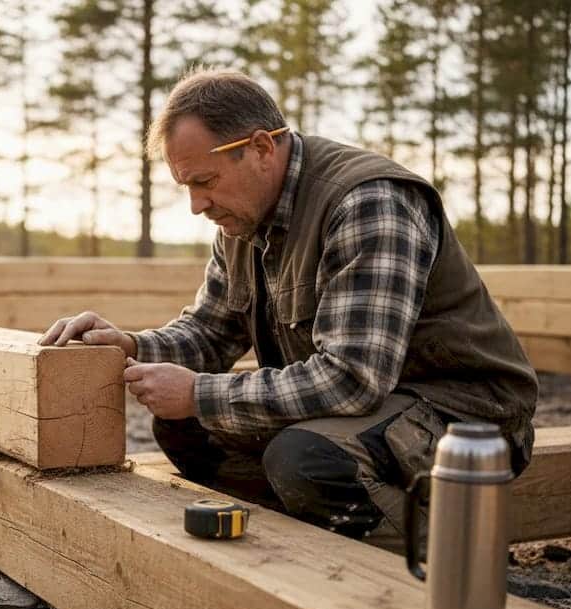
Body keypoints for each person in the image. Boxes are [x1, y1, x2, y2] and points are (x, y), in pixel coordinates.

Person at [38, 68, 538, 549]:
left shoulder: (368, 202)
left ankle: (444, 554)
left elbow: (351, 379)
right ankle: (301, 534)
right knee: (184, 427)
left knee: (306, 459)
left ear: (259, 147)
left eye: (204, 181)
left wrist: (200, 393)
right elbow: (210, 334)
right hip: (374, 408)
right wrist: (129, 344)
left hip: (465, 414)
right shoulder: (240, 223)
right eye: (186, 186)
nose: (196, 205)